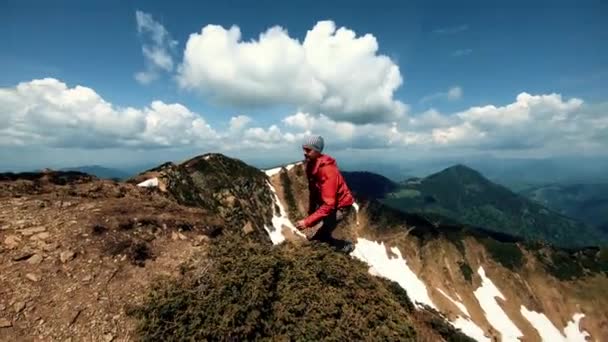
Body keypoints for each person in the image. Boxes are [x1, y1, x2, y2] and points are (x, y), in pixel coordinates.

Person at [295, 135, 356, 254]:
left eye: (308, 150)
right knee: (316, 236)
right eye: (304, 149)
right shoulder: (311, 165)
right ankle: (331, 248)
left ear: (317, 151)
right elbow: (312, 190)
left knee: (318, 238)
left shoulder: (327, 170)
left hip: (340, 206)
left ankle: (345, 247)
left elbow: (329, 205)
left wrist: (307, 222)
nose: (304, 153)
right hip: (328, 203)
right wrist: (311, 213)